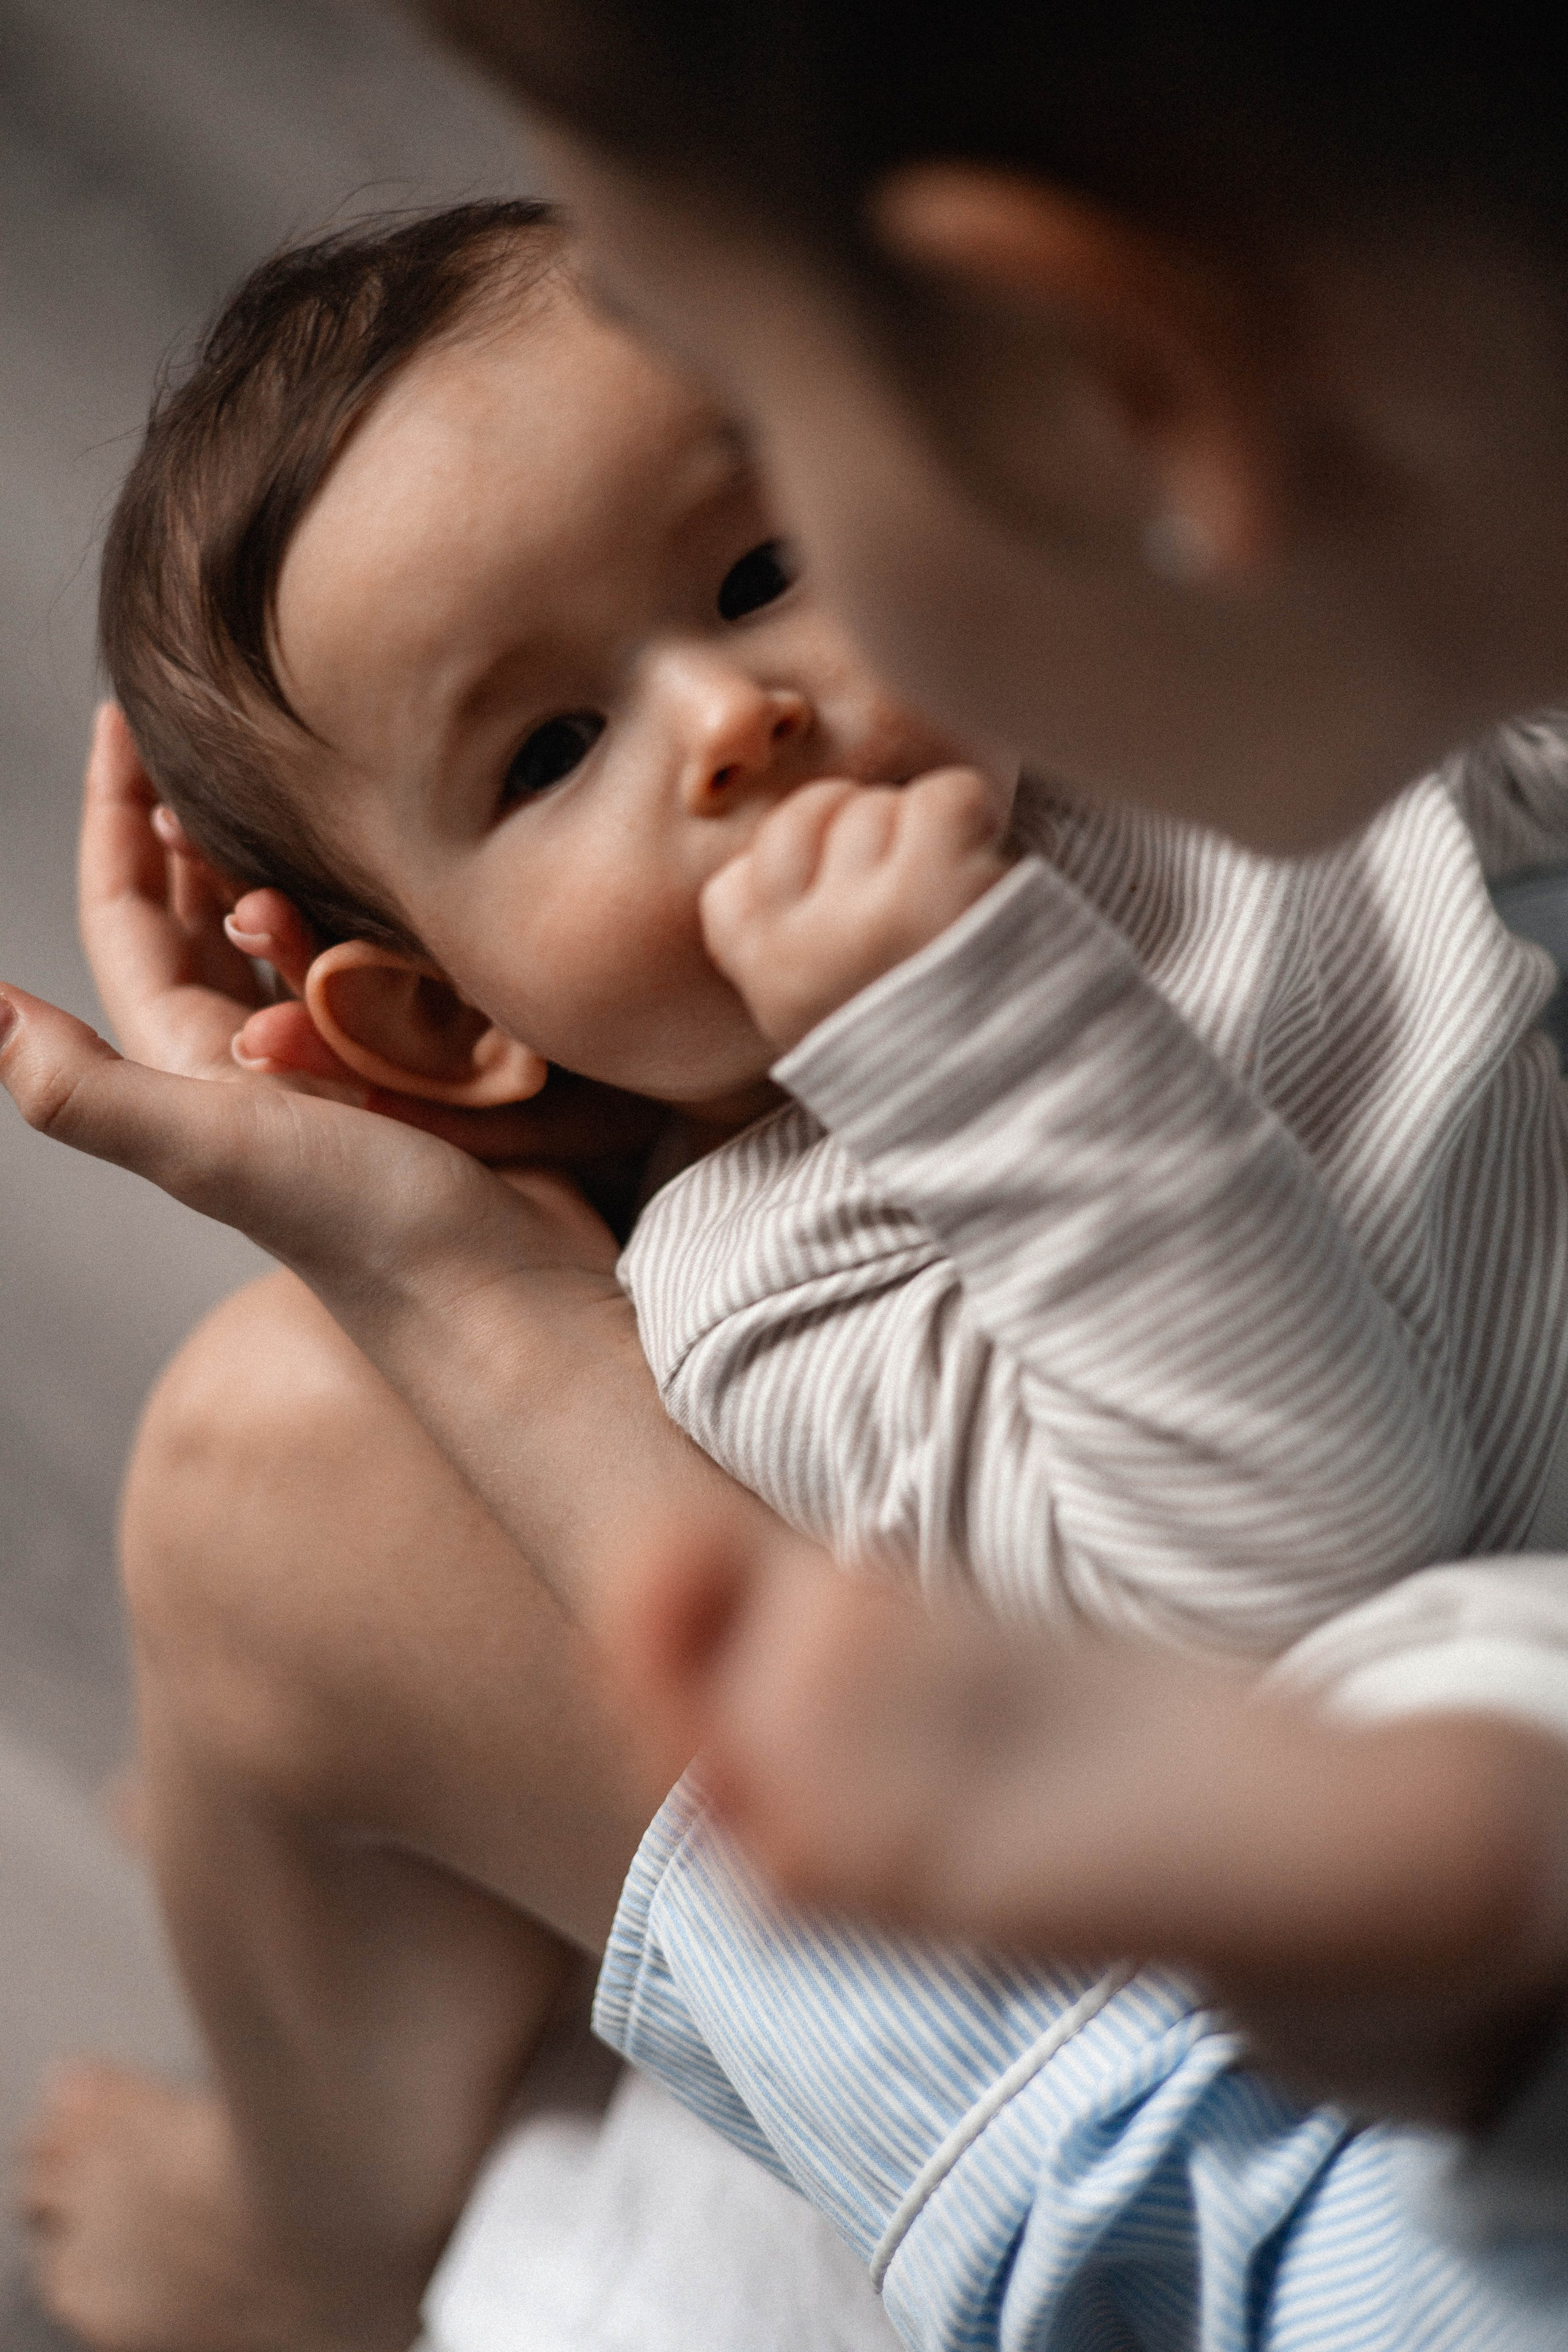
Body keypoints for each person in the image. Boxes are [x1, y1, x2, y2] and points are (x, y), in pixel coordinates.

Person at [6, 9, 1568, 2346]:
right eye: (552, 750)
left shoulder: (1179, 733)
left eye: (750, 569)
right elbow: (1307, 1568)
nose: (731, 716)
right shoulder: (774, 1288)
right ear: (451, 1019)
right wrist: (960, 1022)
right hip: (1429, 1775)